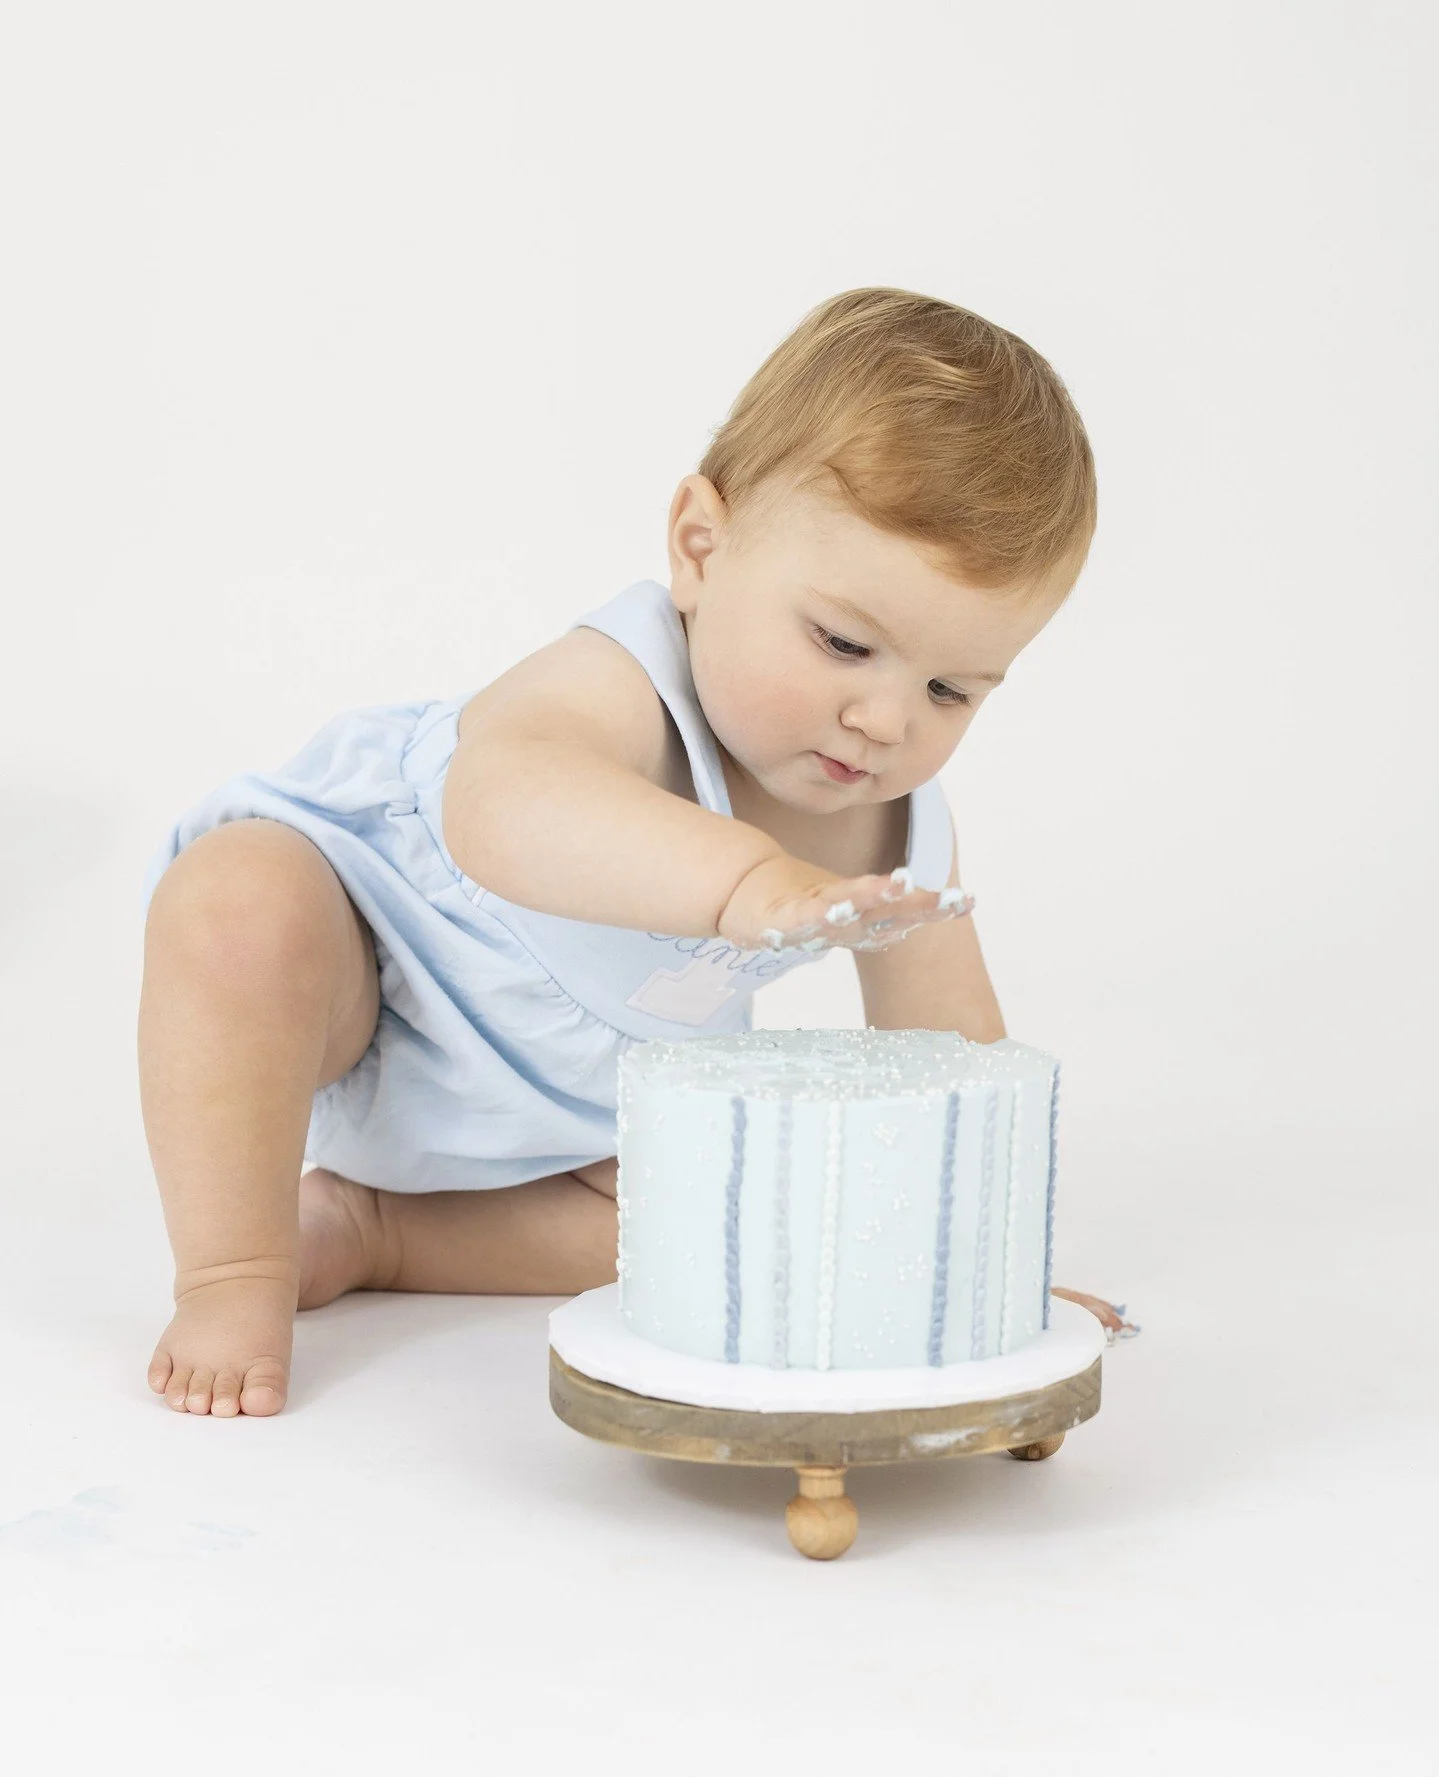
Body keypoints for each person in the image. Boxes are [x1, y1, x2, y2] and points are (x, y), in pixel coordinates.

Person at [138, 286, 1138, 1419]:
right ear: (700, 548)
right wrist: (747, 881)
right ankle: (233, 1268)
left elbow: (954, 1074)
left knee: (741, 1224)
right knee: (235, 903)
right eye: (843, 642)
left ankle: (377, 1231)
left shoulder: (900, 828)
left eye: (949, 688)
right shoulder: (622, 680)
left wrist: (978, 1280)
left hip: (573, 1120)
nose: (882, 718)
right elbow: (500, 806)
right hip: (367, 980)